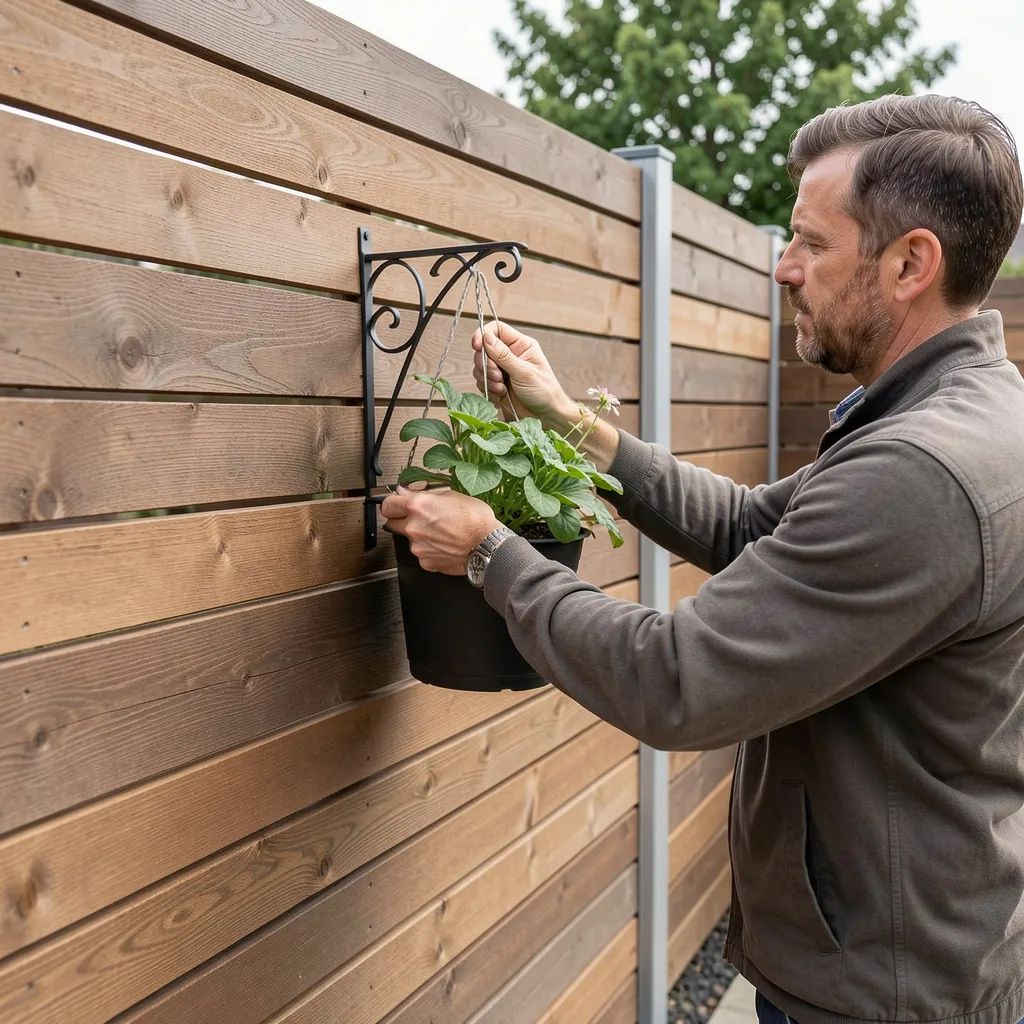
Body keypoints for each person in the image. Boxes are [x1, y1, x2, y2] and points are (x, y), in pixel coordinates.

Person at [381, 93, 1024, 1024]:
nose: (782, 266)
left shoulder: (921, 472)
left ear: (909, 263)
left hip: (879, 988)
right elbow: (752, 528)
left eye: (809, 241)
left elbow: (676, 679)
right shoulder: (970, 413)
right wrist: (569, 421)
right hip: (919, 943)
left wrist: (490, 552)